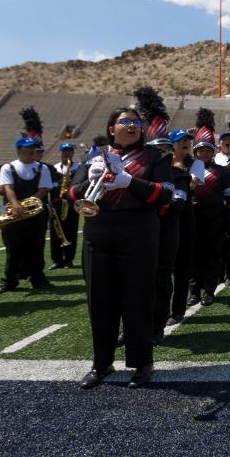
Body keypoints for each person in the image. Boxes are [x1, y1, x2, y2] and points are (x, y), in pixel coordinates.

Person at [71, 105, 173, 389]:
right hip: (98, 234)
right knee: (100, 300)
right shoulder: (95, 157)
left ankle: (142, 363)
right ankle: (101, 363)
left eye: (136, 122)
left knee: (137, 299)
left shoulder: (155, 157)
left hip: (138, 234)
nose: (131, 126)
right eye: (124, 122)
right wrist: (89, 181)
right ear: (111, 129)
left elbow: (167, 193)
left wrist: (129, 181)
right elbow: (71, 194)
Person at [134, 86, 185, 345]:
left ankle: (156, 326)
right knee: (134, 281)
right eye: (157, 148)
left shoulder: (177, 173)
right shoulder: (138, 171)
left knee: (161, 279)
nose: (162, 152)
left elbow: (177, 204)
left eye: (166, 148)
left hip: (166, 232)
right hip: (141, 231)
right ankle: (134, 326)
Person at [0, 107, 53, 294]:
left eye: (32, 150)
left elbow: (43, 189)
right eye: (27, 150)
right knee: (13, 249)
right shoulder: (8, 167)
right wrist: (16, 204)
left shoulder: (41, 168)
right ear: (19, 150)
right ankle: (9, 281)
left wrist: (30, 204)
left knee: (36, 247)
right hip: (14, 214)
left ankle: (38, 279)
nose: (30, 153)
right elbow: (7, 188)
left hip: (34, 215)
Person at [188, 108, 230, 307]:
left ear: (212, 151)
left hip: (215, 218)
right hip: (192, 217)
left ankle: (209, 290)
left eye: (208, 150)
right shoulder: (188, 168)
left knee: (212, 255)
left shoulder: (222, 171)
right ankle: (193, 292)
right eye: (200, 150)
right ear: (196, 151)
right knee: (193, 255)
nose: (204, 153)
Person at [167, 128, 201, 325]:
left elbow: (194, 184)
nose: (186, 144)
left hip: (186, 214)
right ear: (172, 144)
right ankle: (161, 309)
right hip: (165, 215)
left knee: (182, 266)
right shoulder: (163, 162)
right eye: (181, 141)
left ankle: (178, 310)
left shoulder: (194, 163)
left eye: (188, 140)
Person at [48, 142, 80, 270]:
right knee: (55, 232)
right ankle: (57, 260)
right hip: (56, 204)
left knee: (70, 231)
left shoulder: (78, 168)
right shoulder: (54, 168)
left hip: (71, 204)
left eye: (69, 151)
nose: (67, 153)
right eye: (64, 150)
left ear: (73, 153)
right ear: (60, 153)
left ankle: (69, 259)